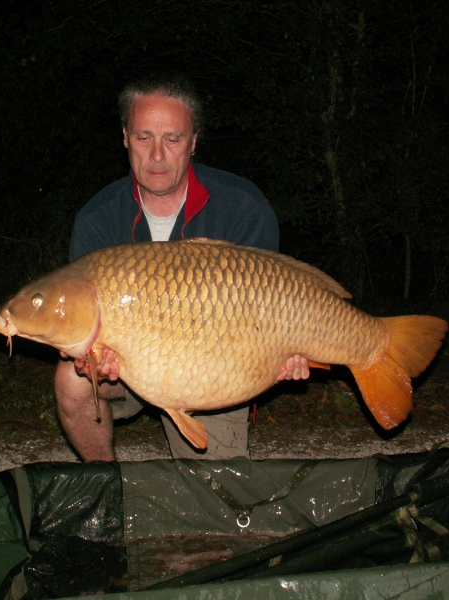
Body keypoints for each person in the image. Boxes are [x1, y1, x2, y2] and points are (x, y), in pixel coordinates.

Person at [55, 75, 310, 462]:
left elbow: (272, 311)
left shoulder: (241, 207)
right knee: (71, 381)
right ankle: (104, 482)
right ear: (125, 137)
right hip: (130, 369)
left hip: (215, 370)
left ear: (193, 141)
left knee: (214, 506)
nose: (157, 155)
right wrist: (91, 359)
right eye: (143, 138)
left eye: (172, 139)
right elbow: (85, 330)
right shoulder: (98, 219)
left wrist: (285, 352)